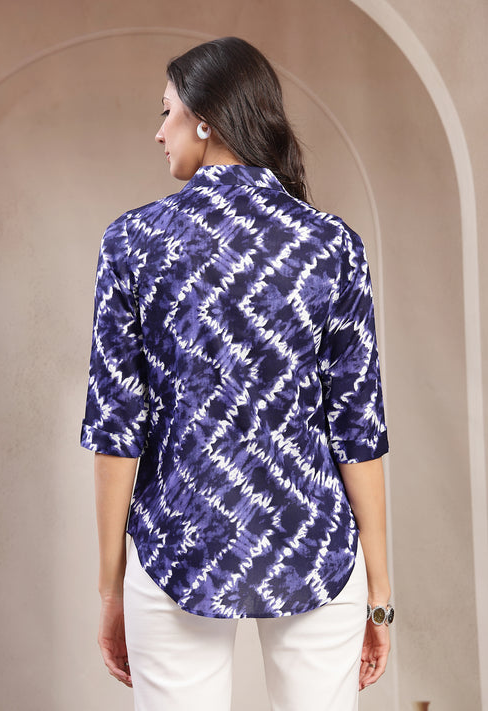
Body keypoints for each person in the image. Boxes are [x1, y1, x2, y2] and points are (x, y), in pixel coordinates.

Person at [81, 36, 392, 711]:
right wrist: (379, 591)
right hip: (315, 545)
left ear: (204, 119)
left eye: (166, 111)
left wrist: (112, 589)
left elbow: (116, 431)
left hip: (177, 546)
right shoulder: (331, 245)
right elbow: (357, 430)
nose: (158, 132)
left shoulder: (132, 242)